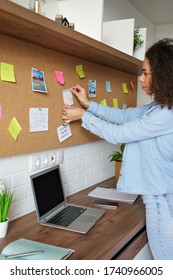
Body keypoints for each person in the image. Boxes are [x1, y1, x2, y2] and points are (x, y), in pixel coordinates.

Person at [62, 38, 173, 260]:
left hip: (162, 201)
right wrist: (88, 104)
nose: (141, 79)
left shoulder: (166, 115)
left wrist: (83, 116)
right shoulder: (158, 107)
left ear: (162, 75)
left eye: (145, 73)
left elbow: (119, 134)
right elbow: (123, 117)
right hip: (159, 196)